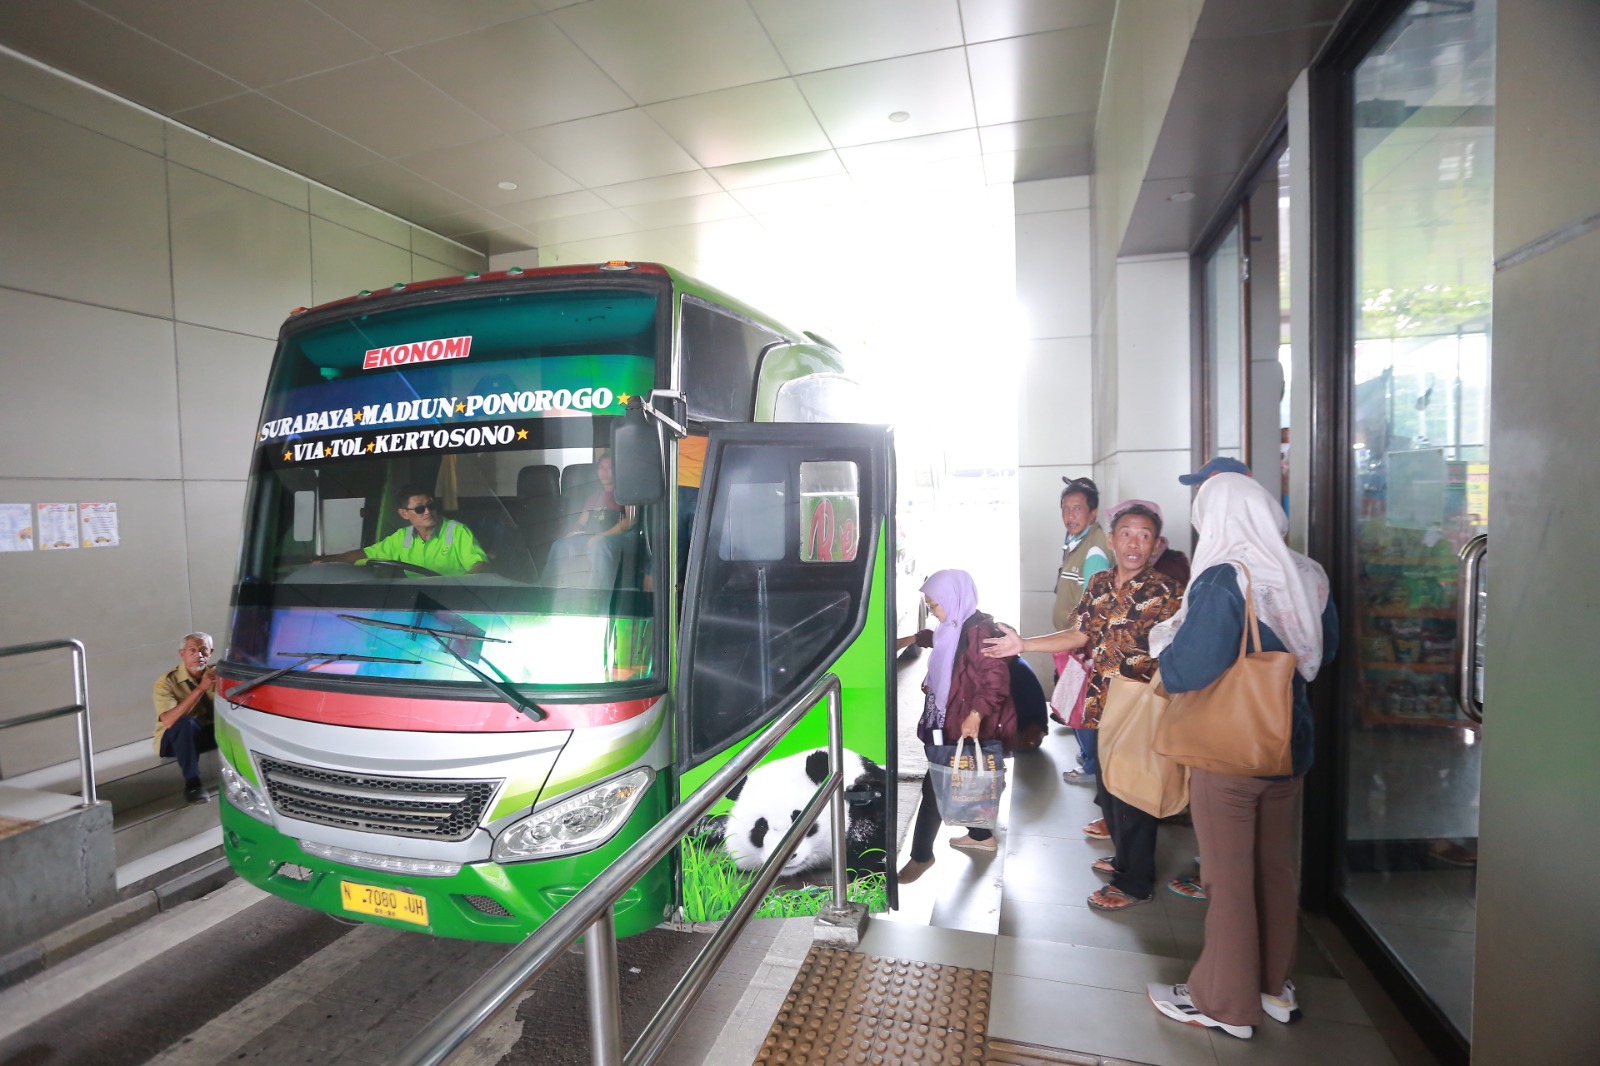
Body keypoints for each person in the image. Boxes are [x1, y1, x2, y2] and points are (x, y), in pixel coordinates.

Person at [1144, 472, 1338, 1040]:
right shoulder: (1309, 574)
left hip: (1231, 751)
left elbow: (1190, 668)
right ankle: (1273, 986)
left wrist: (1165, 643)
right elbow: (1326, 652)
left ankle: (1223, 1002)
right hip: (1289, 744)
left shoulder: (1225, 577)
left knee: (1227, 880)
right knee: (1273, 869)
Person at [985, 501, 1184, 910]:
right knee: (1109, 787)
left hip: (1143, 705)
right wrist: (1024, 644)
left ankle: (1135, 883)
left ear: (1155, 544)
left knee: (1134, 791)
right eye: (1126, 534)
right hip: (1104, 701)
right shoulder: (1099, 584)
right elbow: (1079, 635)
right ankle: (1125, 860)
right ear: (1111, 540)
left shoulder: (1167, 592)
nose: (1134, 543)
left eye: (1144, 536)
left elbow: (1184, 650)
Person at [897, 570, 1016, 885]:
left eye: (934, 604)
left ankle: (921, 856)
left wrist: (976, 714)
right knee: (953, 775)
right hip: (945, 715)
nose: (933, 610)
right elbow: (937, 640)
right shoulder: (952, 625)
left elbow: (995, 680)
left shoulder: (980, 633)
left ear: (953, 599)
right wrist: (911, 639)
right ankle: (980, 835)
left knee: (936, 784)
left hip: (962, 719)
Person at [1052, 476, 1111, 786]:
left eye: (1077, 509)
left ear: (1093, 513)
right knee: (1074, 701)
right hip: (1071, 641)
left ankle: (1091, 766)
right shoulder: (1077, 540)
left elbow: (1093, 608)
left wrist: (1077, 643)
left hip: (1080, 644)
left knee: (1081, 705)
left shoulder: (1094, 551)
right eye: (1065, 508)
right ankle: (1088, 756)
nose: (1070, 515)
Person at [315, 485, 489, 576]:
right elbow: (365, 554)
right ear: (404, 513)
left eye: (431, 506)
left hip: (452, 603)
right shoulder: (401, 538)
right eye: (420, 509)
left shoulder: (457, 531)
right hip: (416, 600)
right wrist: (328, 561)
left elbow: (480, 565)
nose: (427, 512)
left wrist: (462, 589)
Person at [546, 454, 638, 587]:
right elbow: (581, 523)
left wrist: (600, 536)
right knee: (560, 545)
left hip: (621, 536)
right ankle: (546, 590)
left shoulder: (625, 493)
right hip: (595, 536)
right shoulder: (594, 497)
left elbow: (630, 521)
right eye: (601, 467)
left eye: (609, 467)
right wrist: (574, 532)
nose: (604, 471)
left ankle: (597, 595)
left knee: (600, 545)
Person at [153, 632, 219, 803]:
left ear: (211, 652)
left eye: (203, 650)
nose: (199, 655)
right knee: (186, 723)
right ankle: (193, 784)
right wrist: (201, 688)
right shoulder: (167, 681)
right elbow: (168, 721)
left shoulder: (218, 673)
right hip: (174, 738)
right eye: (192, 650)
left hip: (206, 733)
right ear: (182, 654)